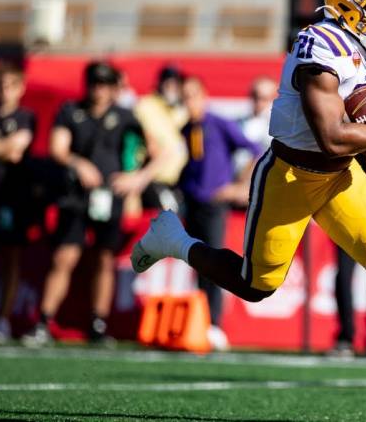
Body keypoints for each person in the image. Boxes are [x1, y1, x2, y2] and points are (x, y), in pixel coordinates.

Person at [131, 0, 366, 418]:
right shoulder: (318, 46)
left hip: (340, 176)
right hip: (290, 176)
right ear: (350, 6)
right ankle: (174, 241)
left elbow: (350, 123)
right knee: (256, 285)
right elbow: (333, 136)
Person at [21, 61, 161, 347]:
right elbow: (57, 148)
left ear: (113, 89)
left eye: (104, 85)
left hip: (110, 197)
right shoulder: (71, 111)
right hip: (75, 196)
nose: (98, 90)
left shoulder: (125, 116)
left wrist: (137, 178)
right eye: (94, 84)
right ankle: (44, 320)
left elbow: (158, 153)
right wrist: (79, 164)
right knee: (64, 257)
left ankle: (99, 323)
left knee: (104, 259)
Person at [178, 75, 262, 350]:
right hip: (192, 202)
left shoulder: (218, 123)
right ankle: (199, 320)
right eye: (184, 96)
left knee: (214, 261)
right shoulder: (187, 128)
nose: (188, 102)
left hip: (215, 204)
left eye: (192, 95)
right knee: (196, 261)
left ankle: (214, 323)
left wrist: (238, 185)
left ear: (203, 96)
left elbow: (254, 150)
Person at [0, 65, 35, 344]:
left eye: (10, 86)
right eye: (0, 86)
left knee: (10, 257)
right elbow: (9, 149)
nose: (4, 92)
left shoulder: (25, 117)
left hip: (10, 197)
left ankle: (2, 319)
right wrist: (3, 149)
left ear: (20, 88)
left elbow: (18, 149)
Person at [134, 65, 189, 212]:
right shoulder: (147, 106)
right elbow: (150, 145)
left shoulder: (180, 111)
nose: (172, 88)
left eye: (176, 84)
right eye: (168, 83)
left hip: (178, 182)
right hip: (153, 178)